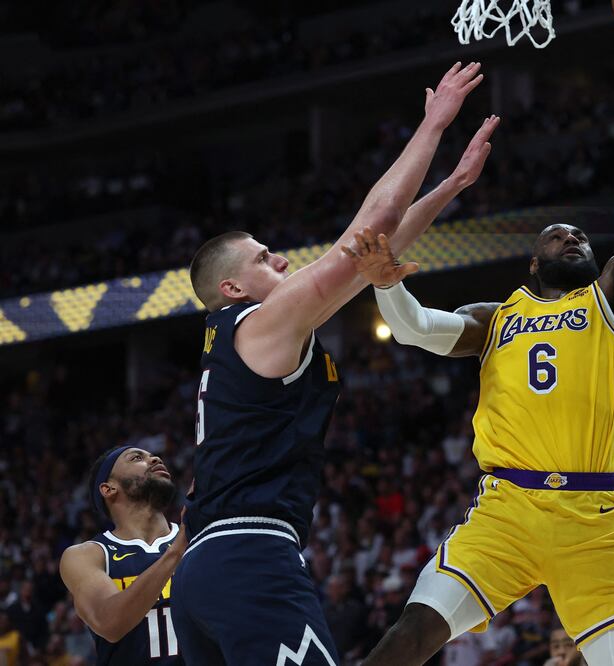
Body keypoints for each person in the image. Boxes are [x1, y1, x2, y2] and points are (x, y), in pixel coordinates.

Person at [351, 8, 614, 665]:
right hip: (505, 511)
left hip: (593, 520)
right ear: (533, 264)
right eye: (558, 235)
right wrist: (386, 285)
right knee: (410, 635)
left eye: (581, 236)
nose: (573, 235)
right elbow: (417, 329)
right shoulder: (497, 317)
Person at [172, 61, 497, 666]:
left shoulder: (243, 337)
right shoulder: (259, 325)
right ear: (231, 290)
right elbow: (369, 229)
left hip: (205, 571)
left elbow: (374, 255)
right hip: (249, 556)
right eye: (264, 259)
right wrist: (433, 124)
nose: (282, 261)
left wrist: (452, 184)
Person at [59, 447, 185, 664]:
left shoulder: (196, 537)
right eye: (137, 458)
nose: (155, 458)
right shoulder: (88, 555)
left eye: (152, 456)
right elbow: (110, 623)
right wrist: (177, 550)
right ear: (109, 489)